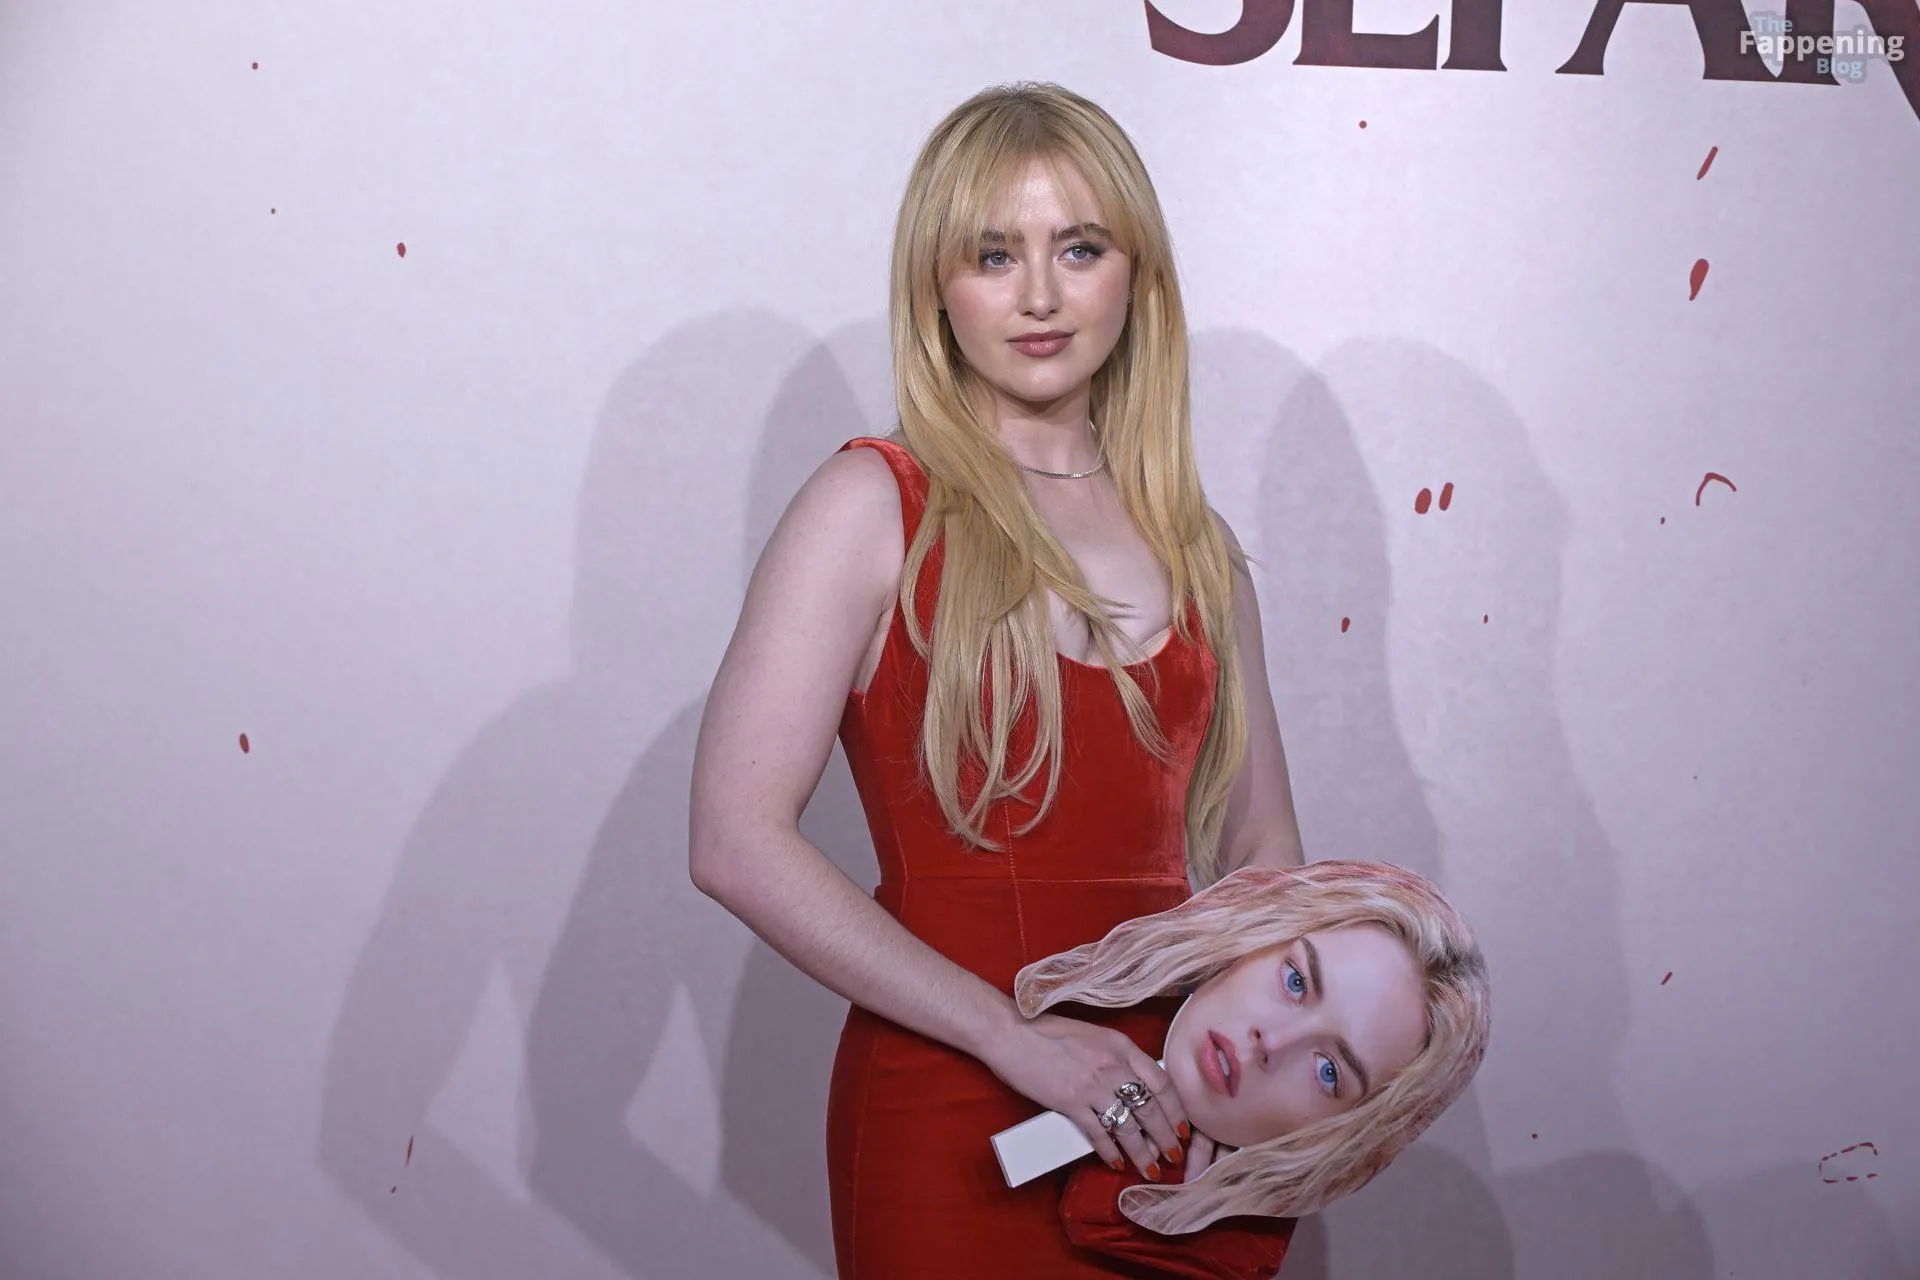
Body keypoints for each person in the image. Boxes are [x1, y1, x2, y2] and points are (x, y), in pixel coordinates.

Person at [689, 80, 1305, 1278]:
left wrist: (1262, 1070)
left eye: (1079, 247)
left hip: (1166, 1111)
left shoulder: (1202, 550)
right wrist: (1015, 1036)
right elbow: (733, 839)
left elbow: (1263, 849)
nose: (1038, 295)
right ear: (937, 284)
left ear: (1138, 274)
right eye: (992, 254)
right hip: (949, 1105)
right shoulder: (870, 505)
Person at [1017, 859, 1491, 1247]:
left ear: (1344, 1133)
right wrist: (1000, 1031)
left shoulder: (1223, 1257)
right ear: (1260, 931)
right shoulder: (1060, 920)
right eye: (1296, 981)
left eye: (1328, 1071)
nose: (1273, 1043)